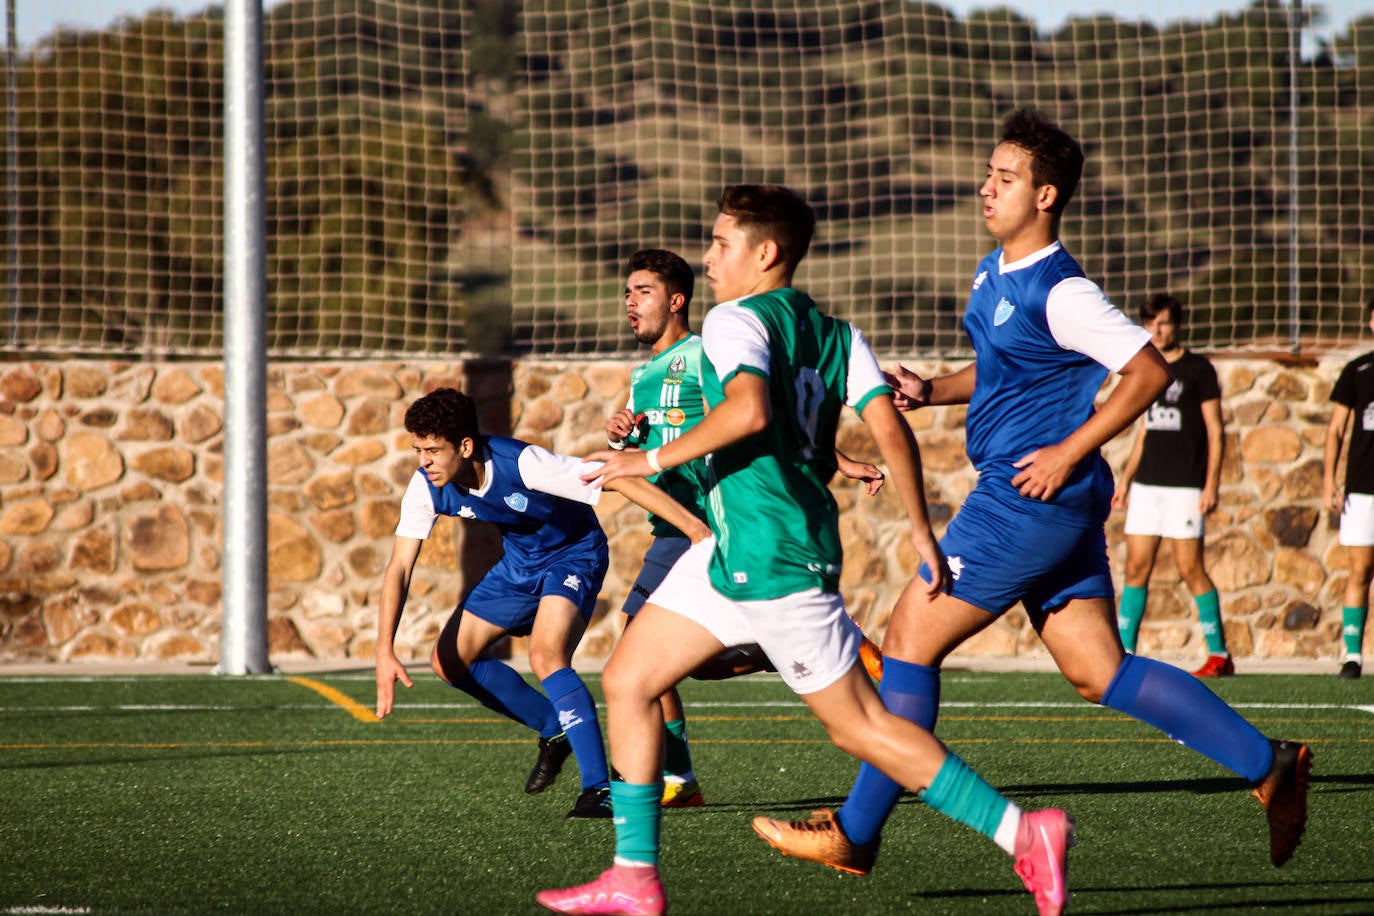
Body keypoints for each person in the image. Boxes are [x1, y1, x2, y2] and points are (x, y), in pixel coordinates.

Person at [752, 110, 1312, 882]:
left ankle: (856, 831)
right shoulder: (995, 272)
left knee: (910, 641)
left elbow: (1149, 374)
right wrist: (934, 388)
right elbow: (1007, 368)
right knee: (1098, 671)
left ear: (1045, 195)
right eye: (989, 173)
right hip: (1049, 502)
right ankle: (1269, 761)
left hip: (1024, 496)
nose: (987, 187)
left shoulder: (1064, 289)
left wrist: (1068, 449)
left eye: (1005, 178)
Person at [537, 184, 1076, 916]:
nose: (710, 256)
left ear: (766, 254)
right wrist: (920, 527)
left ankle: (1023, 832)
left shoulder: (733, 321)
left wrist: (649, 461)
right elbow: (890, 429)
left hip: (771, 553)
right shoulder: (838, 334)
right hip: (742, 547)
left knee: (860, 727)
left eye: (723, 244)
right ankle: (633, 879)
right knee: (630, 678)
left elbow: (749, 410)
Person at [608, 249, 891, 811]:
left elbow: (757, 416)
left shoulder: (707, 350)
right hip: (672, 522)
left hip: (708, 525)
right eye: (627, 294)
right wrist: (625, 438)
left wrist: (841, 459)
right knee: (668, 667)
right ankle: (775, 649)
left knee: (634, 661)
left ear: (676, 299)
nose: (630, 303)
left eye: (642, 292)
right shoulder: (643, 374)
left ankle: (676, 785)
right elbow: (666, 437)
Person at [374, 386, 709, 819]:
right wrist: (384, 650)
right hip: (519, 565)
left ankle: (599, 789)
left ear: (466, 446)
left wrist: (697, 533)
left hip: (575, 554)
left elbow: (616, 477)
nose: (423, 461)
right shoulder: (426, 486)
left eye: (433, 450)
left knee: (546, 656)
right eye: (418, 449)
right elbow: (399, 567)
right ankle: (555, 728)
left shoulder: (525, 465)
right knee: (449, 662)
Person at [1111, 293, 1232, 677]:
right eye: (1150, 324)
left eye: (1163, 323)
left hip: (1185, 487)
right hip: (1148, 486)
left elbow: (1215, 429)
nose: (1157, 331)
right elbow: (1144, 432)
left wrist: (1211, 483)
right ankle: (1123, 654)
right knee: (1136, 569)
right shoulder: (1147, 367)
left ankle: (1219, 655)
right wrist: (1127, 480)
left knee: (1190, 568)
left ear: (1176, 325)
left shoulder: (1199, 370)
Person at [1322, 297, 1374, 680]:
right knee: (1360, 570)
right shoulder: (1358, 370)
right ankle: (1352, 655)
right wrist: (1328, 478)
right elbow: (1336, 429)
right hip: (1361, 488)